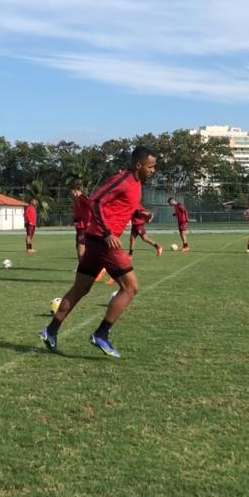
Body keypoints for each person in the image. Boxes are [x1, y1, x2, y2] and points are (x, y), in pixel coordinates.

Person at [39, 146, 158, 359]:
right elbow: (95, 200)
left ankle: (51, 330)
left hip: (95, 240)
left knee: (81, 287)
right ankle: (101, 334)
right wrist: (107, 233)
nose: (153, 170)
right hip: (103, 241)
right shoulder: (122, 178)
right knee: (130, 288)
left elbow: (125, 203)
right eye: (150, 166)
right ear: (138, 165)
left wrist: (141, 212)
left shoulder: (137, 183)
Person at [71, 182, 91, 259]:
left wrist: (89, 221)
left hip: (83, 227)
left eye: (72, 192)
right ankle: (83, 266)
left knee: (80, 248)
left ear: (75, 190)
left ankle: (82, 268)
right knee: (78, 246)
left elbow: (91, 205)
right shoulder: (77, 199)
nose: (71, 194)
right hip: (79, 227)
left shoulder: (83, 198)